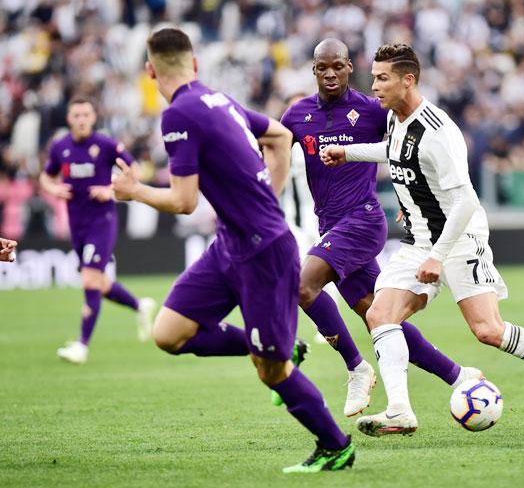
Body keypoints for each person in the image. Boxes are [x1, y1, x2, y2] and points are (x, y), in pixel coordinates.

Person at [321, 43, 524, 437]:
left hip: (458, 239)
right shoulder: (395, 119)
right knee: (379, 314)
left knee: (488, 330)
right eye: (373, 77)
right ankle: (400, 410)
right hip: (421, 239)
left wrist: (438, 256)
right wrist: (348, 153)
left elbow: (464, 200)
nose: (374, 85)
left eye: (382, 78)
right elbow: (394, 152)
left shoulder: (439, 131)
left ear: (408, 80)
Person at [111, 28, 355, 473]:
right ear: (195, 64)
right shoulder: (216, 99)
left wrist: (134, 191)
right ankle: (281, 348)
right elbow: (280, 138)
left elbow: (184, 202)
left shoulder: (178, 114)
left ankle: (336, 445)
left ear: (150, 71)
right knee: (168, 333)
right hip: (230, 244)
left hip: (263, 252)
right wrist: (269, 194)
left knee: (272, 372)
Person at [280, 38, 482, 418]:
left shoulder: (372, 111)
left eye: (338, 66)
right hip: (329, 225)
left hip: (362, 220)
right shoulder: (296, 114)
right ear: (313, 70)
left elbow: (408, 149)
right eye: (323, 67)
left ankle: (357, 368)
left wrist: (413, 199)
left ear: (348, 68)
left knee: (302, 285)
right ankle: (458, 375)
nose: (330, 74)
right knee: (380, 316)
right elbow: (273, 150)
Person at [40, 98, 156, 365]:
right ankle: (141, 306)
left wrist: (111, 190)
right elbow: (46, 177)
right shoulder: (60, 147)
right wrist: (53, 189)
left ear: (93, 118)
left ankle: (82, 346)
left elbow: (134, 170)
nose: (81, 119)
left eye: (86, 114)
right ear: (69, 118)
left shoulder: (104, 145)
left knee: (90, 281)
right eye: (76, 115)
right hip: (76, 224)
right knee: (100, 283)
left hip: (101, 222)